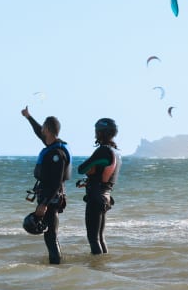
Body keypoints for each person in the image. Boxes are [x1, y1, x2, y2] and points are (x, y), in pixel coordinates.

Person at [21, 107, 71, 264]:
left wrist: (44, 204)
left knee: (50, 236)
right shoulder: (52, 146)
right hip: (49, 196)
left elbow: (56, 182)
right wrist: (28, 117)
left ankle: (56, 267)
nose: (41, 129)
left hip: (52, 198)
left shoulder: (57, 154)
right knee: (50, 235)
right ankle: (56, 267)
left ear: (48, 130)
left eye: (44, 127)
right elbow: (38, 132)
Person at [77, 118, 121, 255]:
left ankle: (96, 270)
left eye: (96, 131)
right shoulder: (116, 152)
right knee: (100, 238)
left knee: (93, 239)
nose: (95, 133)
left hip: (95, 197)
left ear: (101, 132)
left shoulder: (103, 150)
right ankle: (102, 268)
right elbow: (102, 172)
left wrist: (92, 171)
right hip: (106, 196)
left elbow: (81, 168)